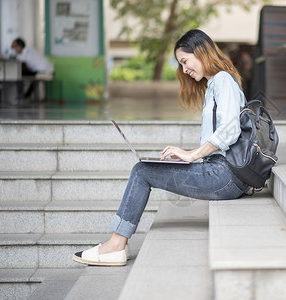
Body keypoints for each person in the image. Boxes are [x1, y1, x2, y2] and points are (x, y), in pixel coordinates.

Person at [72, 29, 247, 266]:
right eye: (180, 64)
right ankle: (116, 244)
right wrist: (188, 157)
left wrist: (191, 155)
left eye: (185, 61)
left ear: (201, 52)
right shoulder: (215, 83)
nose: (184, 69)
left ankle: (116, 245)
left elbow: (229, 130)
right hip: (220, 172)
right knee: (144, 168)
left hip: (224, 176)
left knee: (142, 171)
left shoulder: (223, 80)